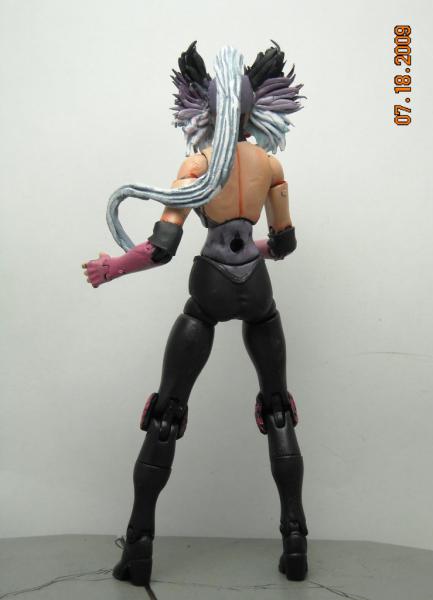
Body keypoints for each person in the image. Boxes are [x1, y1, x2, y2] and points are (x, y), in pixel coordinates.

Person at [82, 41, 308, 586]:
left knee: (166, 412)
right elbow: (284, 243)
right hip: (256, 289)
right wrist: (252, 250)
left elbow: (161, 249)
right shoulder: (270, 165)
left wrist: (113, 267)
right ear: (257, 108)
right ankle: (296, 543)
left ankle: (139, 547)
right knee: (278, 408)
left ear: (204, 106)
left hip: (208, 286)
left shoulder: (197, 166)